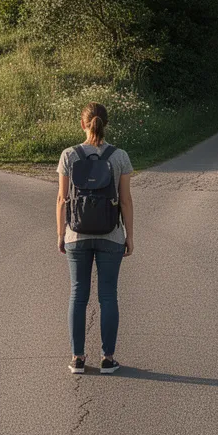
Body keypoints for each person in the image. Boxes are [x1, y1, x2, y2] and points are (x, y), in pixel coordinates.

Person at [57, 102, 135, 375]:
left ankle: (78, 359)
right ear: (106, 123)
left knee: (78, 295)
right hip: (111, 234)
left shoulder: (69, 155)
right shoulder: (120, 156)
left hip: (76, 234)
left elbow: (62, 199)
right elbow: (125, 201)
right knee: (108, 296)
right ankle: (107, 359)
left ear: (83, 124)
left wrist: (60, 234)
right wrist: (129, 236)